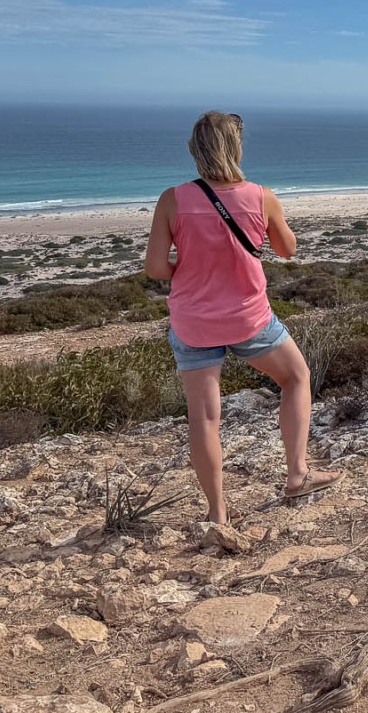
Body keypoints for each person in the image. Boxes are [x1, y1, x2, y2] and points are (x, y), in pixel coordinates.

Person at [144, 111, 339, 525]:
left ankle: (218, 515)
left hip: (194, 322)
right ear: (236, 148)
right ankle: (297, 474)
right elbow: (287, 249)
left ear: (195, 150)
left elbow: (156, 268)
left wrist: (191, 271)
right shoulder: (261, 196)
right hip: (249, 319)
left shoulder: (172, 199)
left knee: (204, 418)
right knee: (296, 378)